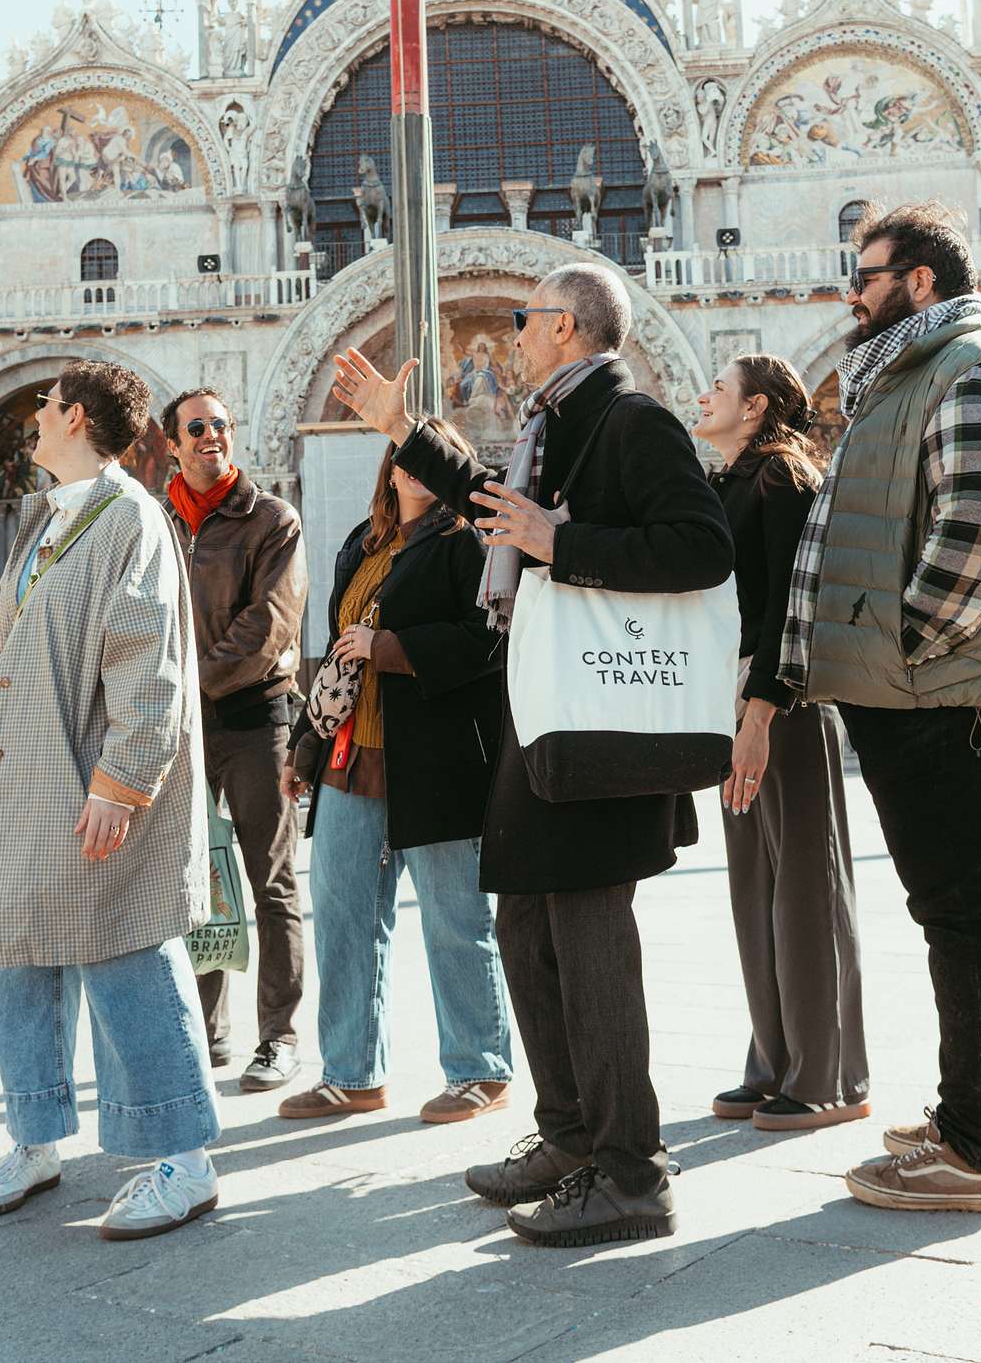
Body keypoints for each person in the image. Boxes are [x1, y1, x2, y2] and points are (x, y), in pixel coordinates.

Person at [330, 260, 735, 1248]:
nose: (512, 334)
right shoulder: (549, 429)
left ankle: (630, 1172)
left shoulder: (629, 420)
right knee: (525, 930)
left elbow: (699, 545)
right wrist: (403, 426)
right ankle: (567, 1137)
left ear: (567, 326)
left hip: (600, 720)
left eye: (525, 319)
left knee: (589, 945)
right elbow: (489, 511)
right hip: (545, 710)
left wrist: (567, 543)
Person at [781, 209, 981, 1211]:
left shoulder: (973, 368)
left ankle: (980, 1143)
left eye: (860, 275)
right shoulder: (916, 371)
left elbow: (978, 529)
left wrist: (901, 644)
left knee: (963, 911)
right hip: (941, 684)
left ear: (915, 280)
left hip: (952, 689)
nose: (847, 293)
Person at [0, 363, 223, 1242]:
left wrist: (122, 782)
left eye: (45, 408)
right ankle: (35, 1133)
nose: (34, 422)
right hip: (20, 778)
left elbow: (149, 659)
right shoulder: (45, 518)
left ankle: (184, 1157)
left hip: (88, 778)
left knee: (126, 951)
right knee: (17, 954)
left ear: (79, 417)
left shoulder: (129, 516)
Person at [275, 420, 515, 1126]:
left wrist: (394, 646)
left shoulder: (465, 542)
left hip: (435, 760)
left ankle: (480, 1067)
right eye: (402, 459)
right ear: (389, 467)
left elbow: (489, 639)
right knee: (345, 920)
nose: (411, 471)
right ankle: (351, 1073)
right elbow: (334, 660)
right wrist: (305, 749)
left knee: (455, 919)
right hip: (351, 760)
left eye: (427, 460)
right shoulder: (363, 542)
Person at [691, 352, 870, 1136]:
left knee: (806, 885)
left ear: (757, 407)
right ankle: (775, 1057)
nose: (705, 396)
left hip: (785, 701)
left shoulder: (782, 479)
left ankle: (828, 1073)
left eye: (720, 389)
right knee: (753, 887)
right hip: (735, 700)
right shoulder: (726, 484)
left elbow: (794, 606)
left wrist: (762, 709)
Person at [159, 387, 309, 1091]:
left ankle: (279, 1036)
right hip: (183, 727)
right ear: (173, 442)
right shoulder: (157, 522)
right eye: (197, 427)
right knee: (195, 878)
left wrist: (185, 684)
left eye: (221, 423)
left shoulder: (272, 518)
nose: (211, 435)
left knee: (269, 880)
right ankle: (207, 1030)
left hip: (255, 719)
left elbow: (268, 624)